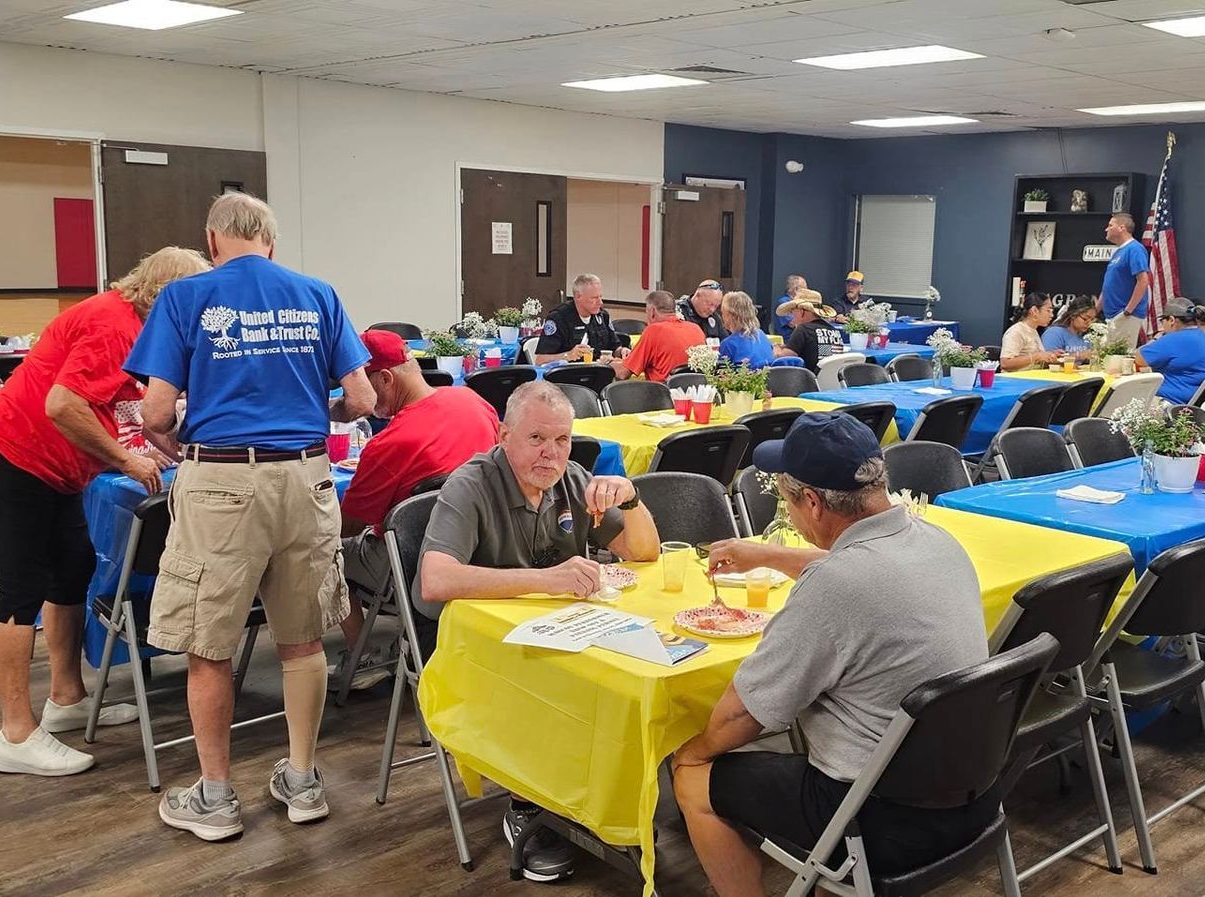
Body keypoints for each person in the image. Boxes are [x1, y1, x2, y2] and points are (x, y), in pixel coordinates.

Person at [127, 192, 376, 840]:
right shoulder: (318, 294)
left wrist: (175, 445)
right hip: (308, 477)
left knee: (210, 644)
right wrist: (325, 418)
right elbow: (363, 397)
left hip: (223, 478)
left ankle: (213, 798)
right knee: (301, 640)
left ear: (212, 242)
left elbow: (153, 414)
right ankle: (301, 779)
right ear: (271, 241)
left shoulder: (187, 297)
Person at [675, 412, 991, 897]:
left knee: (694, 776)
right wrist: (768, 556)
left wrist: (689, 752)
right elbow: (856, 566)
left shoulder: (835, 586)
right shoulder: (938, 541)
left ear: (813, 503)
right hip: (975, 791)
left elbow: (743, 715)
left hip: (881, 817)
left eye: (786, 501)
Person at [0, 246, 205, 776]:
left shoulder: (138, 324)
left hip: (58, 468)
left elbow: (135, 411)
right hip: (14, 454)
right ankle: (15, 734)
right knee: (22, 589)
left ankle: (67, 698)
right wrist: (126, 459)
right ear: (169, 297)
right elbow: (62, 405)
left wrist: (178, 455)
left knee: (71, 571)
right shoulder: (111, 325)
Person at [418, 381, 661, 881]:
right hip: (487, 651)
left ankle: (602, 793)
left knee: (627, 668)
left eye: (563, 440)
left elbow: (644, 553)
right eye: (536, 439)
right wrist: (546, 580)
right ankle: (529, 803)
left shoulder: (572, 478)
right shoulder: (472, 484)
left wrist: (632, 499)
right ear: (504, 435)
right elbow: (435, 579)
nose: (551, 454)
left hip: (563, 632)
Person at [333, 329, 499, 686]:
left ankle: (363, 661)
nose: (355, 396)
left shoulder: (391, 442)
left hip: (411, 564)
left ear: (385, 379)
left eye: (358, 385)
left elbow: (350, 525)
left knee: (324, 552)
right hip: (484, 551)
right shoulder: (473, 402)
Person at [1138, 297, 1205, 404]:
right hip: (1201, 404)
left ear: (1171, 320)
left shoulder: (1175, 340)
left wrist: (1158, 337)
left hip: (1172, 404)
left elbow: (1139, 359)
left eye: (1162, 321)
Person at [612, 290, 706, 384]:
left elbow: (623, 373)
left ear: (652, 311)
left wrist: (605, 364)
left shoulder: (654, 331)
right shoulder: (696, 329)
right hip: (696, 392)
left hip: (662, 394)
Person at [535, 273, 625, 365]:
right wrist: (568, 355)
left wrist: (622, 352)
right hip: (568, 374)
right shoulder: (558, 318)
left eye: (600, 297)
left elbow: (615, 349)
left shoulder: (603, 316)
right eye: (594, 298)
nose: (600, 302)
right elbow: (540, 360)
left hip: (598, 373)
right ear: (578, 296)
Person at [1100, 212, 1151, 347]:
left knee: (1119, 360)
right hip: (1112, 315)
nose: (1107, 229)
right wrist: (1096, 309)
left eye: (1110, 225)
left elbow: (1143, 280)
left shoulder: (1135, 249)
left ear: (1121, 228)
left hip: (1125, 315)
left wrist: (1128, 310)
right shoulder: (1118, 252)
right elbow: (1109, 284)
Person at [776, 290, 845, 375]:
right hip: (833, 384)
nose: (792, 315)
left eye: (793, 311)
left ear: (802, 311)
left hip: (809, 384)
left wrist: (776, 350)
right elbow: (820, 351)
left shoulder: (803, 329)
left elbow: (784, 359)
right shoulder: (835, 331)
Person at [1000, 292, 1063, 371]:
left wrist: (1050, 355)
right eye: (1048, 310)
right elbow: (1005, 364)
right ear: (1034, 311)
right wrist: (1037, 356)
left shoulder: (1033, 330)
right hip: (1016, 381)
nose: (1052, 315)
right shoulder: (1016, 331)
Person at [717, 291, 775, 369]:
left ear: (730, 315)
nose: (722, 316)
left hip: (744, 380)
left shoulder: (728, 344)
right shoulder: (762, 336)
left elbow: (721, 376)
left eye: (722, 312)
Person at [1041, 295, 1099, 360]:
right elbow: (1048, 361)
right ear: (1073, 315)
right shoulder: (1054, 333)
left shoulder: (1088, 336)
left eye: (1092, 320)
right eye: (1085, 319)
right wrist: (1079, 355)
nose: (1089, 323)